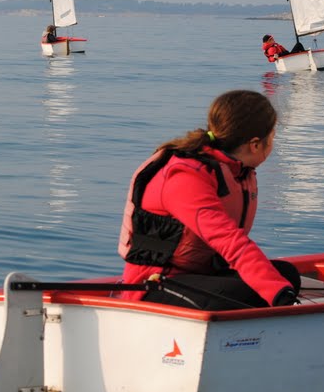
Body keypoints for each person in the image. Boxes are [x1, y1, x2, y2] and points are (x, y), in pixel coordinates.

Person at [116, 89, 300, 310]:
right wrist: (278, 294)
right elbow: (229, 240)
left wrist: (279, 288)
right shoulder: (185, 176)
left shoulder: (236, 171)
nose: (273, 143)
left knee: (287, 275)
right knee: (261, 291)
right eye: (272, 137)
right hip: (153, 284)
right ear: (255, 144)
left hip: (201, 274)